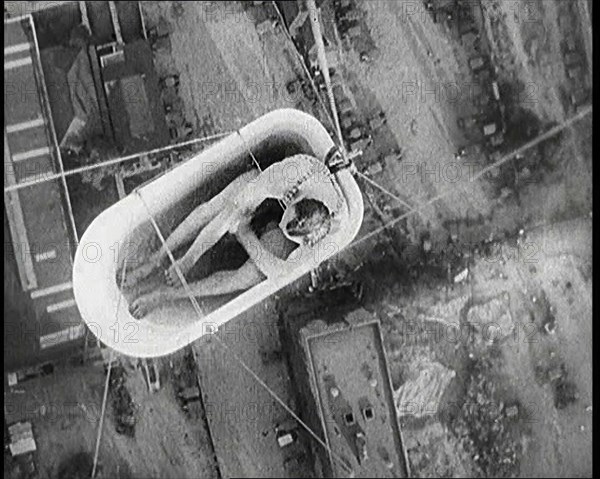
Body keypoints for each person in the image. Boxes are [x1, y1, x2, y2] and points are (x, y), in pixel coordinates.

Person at [126, 154, 346, 318]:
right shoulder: (291, 174)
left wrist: (246, 235)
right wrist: (188, 260)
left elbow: (279, 273)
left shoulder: (325, 235)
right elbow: (229, 215)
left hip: (274, 228)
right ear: (296, 198)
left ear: (308, 238)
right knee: (211, 210)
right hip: (264, 185)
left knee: (247, 278)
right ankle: (156, 257)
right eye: (286, 220)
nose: (281, 225)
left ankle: (166, 295)